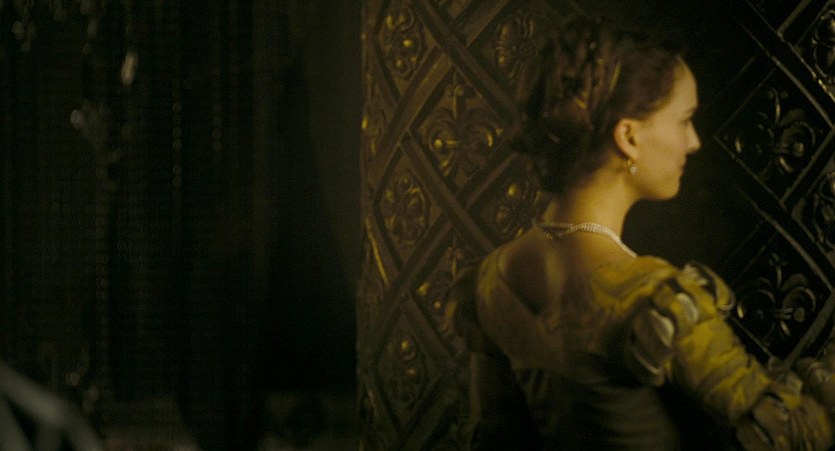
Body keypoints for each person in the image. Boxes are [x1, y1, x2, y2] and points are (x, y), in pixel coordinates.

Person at [470, 15, 835, 450]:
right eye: (684, 120)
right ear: (628, 136)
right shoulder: (652, 299)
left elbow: (496, 437)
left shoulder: (493, 277)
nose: (694, 142)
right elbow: (792, 437)